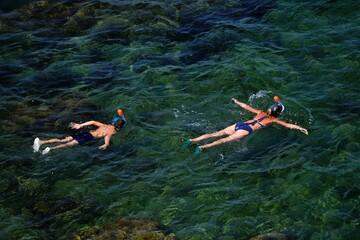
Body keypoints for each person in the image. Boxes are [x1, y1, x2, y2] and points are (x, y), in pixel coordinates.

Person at [185, 96, 308, 155]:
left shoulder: (260, 112)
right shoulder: (272, 121)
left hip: (240, 124)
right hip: (247, 130)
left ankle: (192, 140)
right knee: (224, 140)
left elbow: (246, 106)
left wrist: (236, 101)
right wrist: (300, 127)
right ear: (278, 114)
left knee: (216, 134)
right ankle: (202, 148)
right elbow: (288, 125)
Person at [33, 109, 127, 154]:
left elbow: (93, 122)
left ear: (113, 122)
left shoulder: (104, 125)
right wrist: (106, 145)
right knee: (68, 144)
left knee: (63, 140)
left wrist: (80, 125)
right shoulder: (113, 132)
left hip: (87, 133)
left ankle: (41, 142)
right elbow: (107, 137)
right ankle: (50, 149)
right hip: (88, 137)